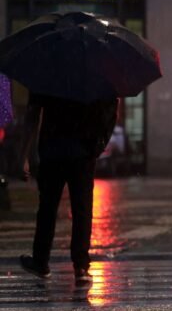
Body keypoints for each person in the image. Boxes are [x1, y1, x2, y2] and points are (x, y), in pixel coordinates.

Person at [19, 93, 118, 285]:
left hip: (52, 149)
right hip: (82, 150)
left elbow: (33, 113)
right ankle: (80, 265)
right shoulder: (94, 72)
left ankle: (40, 260)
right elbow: (111, 104)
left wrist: (24, 155)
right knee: (82, 209)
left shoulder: (46, 72)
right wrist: (100, 142)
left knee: (47, 207)